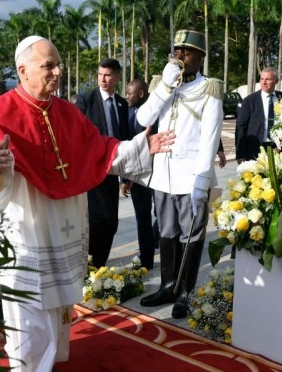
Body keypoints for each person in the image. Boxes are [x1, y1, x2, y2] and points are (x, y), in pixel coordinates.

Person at [0, 36, 173, 372]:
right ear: (23, 70)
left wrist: (142, 147)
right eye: (49, 65)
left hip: (61, 224)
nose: (58, 71)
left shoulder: (67, 113)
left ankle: (45, 366)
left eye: (58, 64)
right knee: (30, 311)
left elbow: (101, 150)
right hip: (25, 228)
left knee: (57, 306)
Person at [137, 29, 224, 319]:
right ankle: (167, 285)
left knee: (191, 234)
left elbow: (210, 138)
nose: (180, 56)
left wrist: (202, 180)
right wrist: (164, 86)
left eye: (186, 52)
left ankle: (185, 291)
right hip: (163, 174)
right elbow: (143, 118)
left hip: (190, 177)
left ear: (200, 58)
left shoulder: (208, 89)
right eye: (177, 51)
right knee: (166, 231)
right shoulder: (163, 84)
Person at [74, 59, 130, 269]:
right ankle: (90, 265)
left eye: (107, 75)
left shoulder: (121, 104)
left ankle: (100, 265)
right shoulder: (85, 101)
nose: (103, 79)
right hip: (92, 172)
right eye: (100, 74)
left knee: (112, 222)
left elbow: (124, 139)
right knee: (97, 220)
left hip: (113, 172)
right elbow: (76, 137)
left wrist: (125, 176)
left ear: (116, 77)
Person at [120, 78, 157, 269]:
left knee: (162, 216)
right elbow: (125, 147)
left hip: (159, 173)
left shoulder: (156, 111)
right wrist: (125, 178)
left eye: (129, 93)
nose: (126, 97)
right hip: (137, 177)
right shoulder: (126, 113)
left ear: (140, 94)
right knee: (142, 218)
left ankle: (157, 238)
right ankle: (146, 258)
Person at [235, 67, 282, 163]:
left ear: (276, 81)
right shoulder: (249, 101)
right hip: (255, 150)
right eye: (262, 79)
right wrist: (240, 154)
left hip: (278, 149)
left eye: (268, 79)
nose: (264, 82)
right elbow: (241, 127)